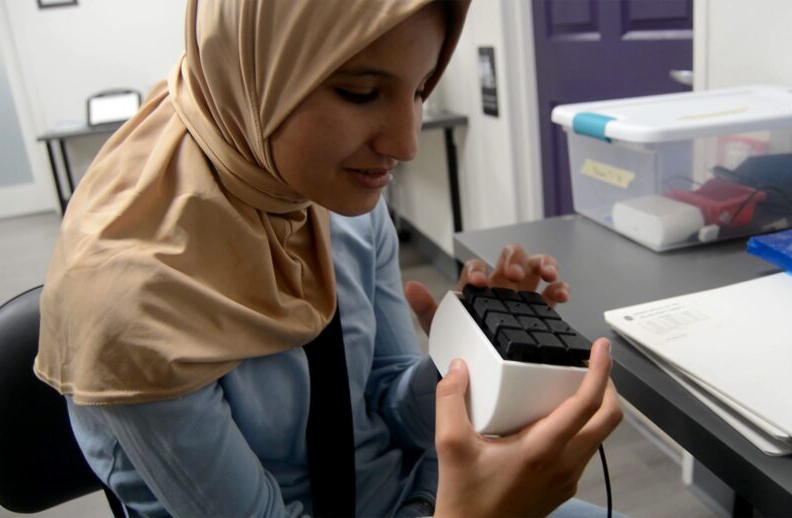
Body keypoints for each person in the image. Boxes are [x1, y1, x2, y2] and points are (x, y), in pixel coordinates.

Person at [34, 0, 622, 516]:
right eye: (360, 92)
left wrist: (474, 357)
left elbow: (392, 410)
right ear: (254, 70)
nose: (406, 144)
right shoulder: (127, 300)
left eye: (421, 89)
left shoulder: (345, 205)